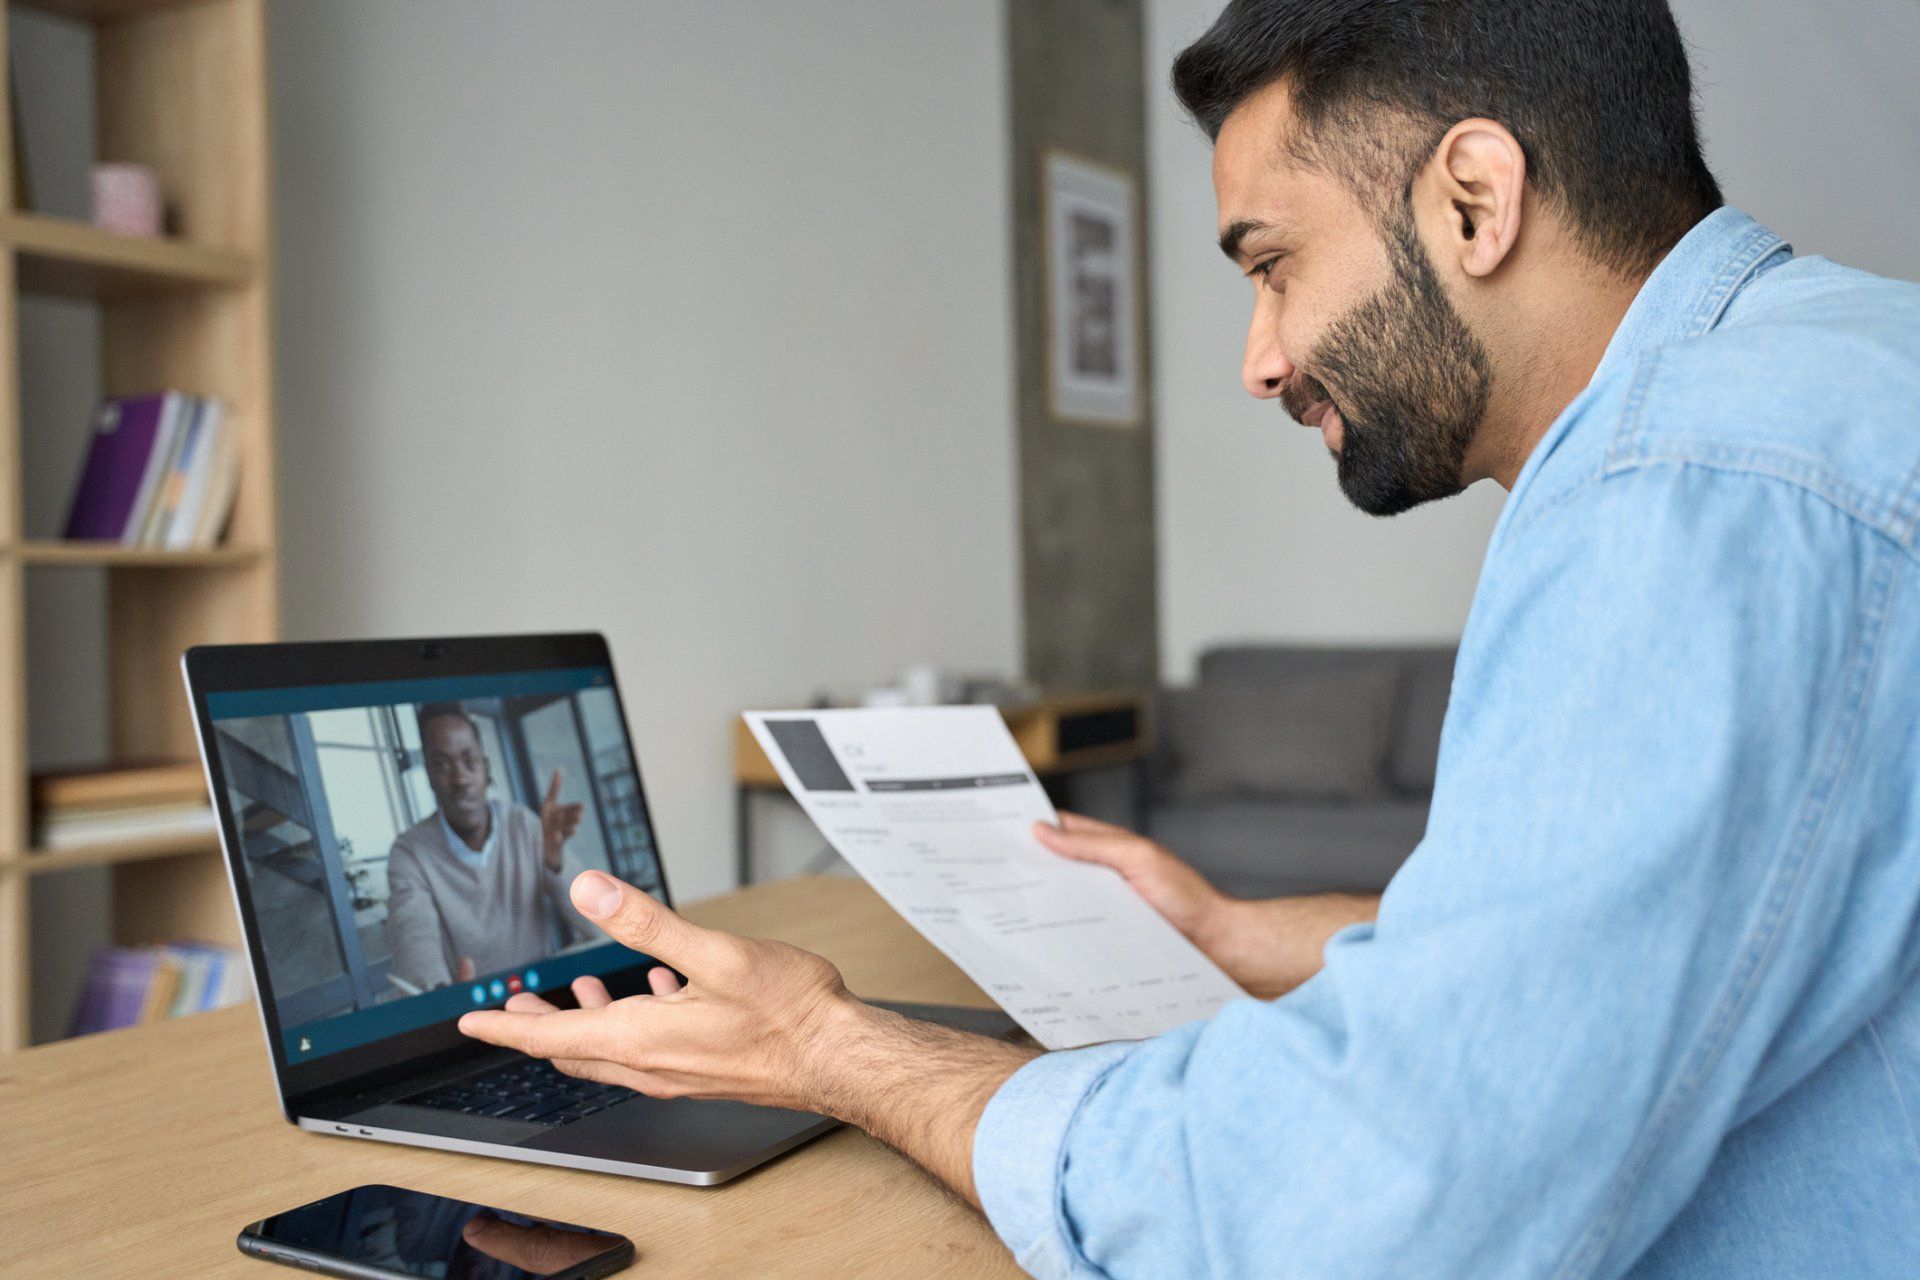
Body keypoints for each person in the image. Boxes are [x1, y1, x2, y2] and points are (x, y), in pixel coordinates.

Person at [458, 1, 1920, 1275]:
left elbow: (1368, 1207)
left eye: (1272, 264)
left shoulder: (1689, 492)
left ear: (1475, 199)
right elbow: (1638, 947)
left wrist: (832, 1051)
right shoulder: (1838, 369)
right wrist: (1233, 933)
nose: (1260, 358)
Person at [386, 703, 596, 992]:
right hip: (473, 1014)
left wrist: (554, 862)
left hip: (544, 998)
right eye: (442, 765)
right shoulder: (410, 853)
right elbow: (415, 941)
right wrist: (440, 999)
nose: (460, 779)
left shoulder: (523, 824)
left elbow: (597, 925)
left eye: (470, 761)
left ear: (486, 769)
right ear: (430, 776)